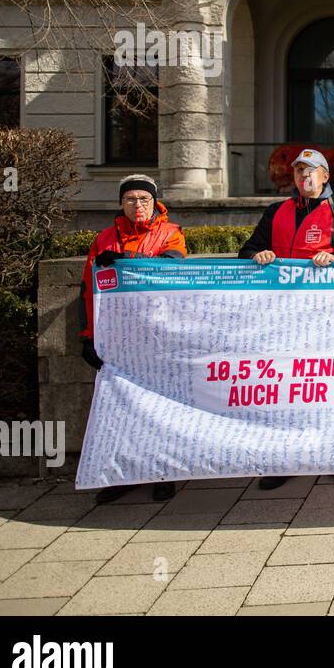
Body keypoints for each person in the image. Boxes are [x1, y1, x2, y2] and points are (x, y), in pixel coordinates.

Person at [239, 148, 334, 489]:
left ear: (325, 176)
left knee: (333, 388)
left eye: (311, 170)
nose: (304, 176)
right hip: (283, 317)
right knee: (285, 389)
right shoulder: (276, 212)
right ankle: (284, 460)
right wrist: (260, 254)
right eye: (299, 171)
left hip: (331, 317)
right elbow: (247, 251)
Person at [79, 174, 187, 504]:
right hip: (118, 339)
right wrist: (88, 335)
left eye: (143, 199)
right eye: (130, 199)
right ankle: (121, 474)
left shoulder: (171, 233)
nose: (137, 205)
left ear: (155, 202)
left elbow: (172, 268)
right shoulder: (104, 239)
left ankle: (163, 473)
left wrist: (130, 262)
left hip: (158, 335)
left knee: (161, 408)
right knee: (118, 409)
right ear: (121, 203)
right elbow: (88, 289)